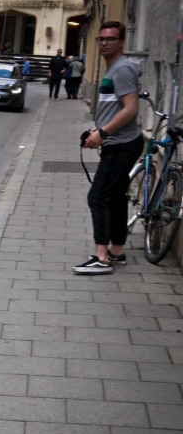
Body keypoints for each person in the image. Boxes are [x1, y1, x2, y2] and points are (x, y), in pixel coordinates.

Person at [73, 21, 142, 274]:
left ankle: (101, 258)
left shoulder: (122, 69)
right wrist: (98, 130)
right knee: (114, 198)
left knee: (98, 197)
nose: (104, 43)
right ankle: (117, 251)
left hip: (122, 144)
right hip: (119, 141)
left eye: (110, 39)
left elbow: (131, 109)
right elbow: (115, 107)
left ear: (121, 42)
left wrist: (103, 133)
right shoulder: (113, 68)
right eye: (101, 39)